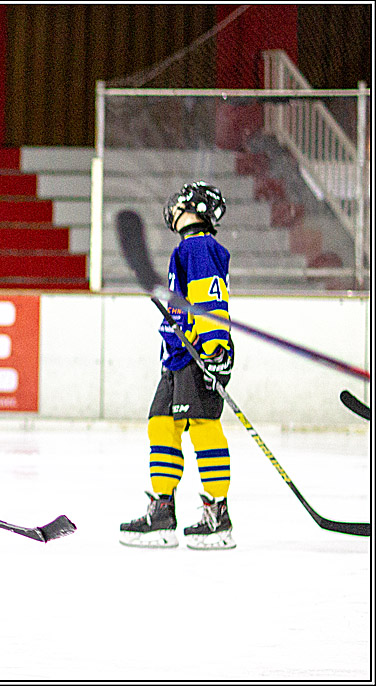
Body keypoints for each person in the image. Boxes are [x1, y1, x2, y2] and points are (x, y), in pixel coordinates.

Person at [119, 181, 236, 551]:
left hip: (198, 356)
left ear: (196, 210)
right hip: (178, 358)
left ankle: (217, 516)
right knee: (162, 425)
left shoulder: (199, 246)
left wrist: (215, 350)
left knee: (203, 427)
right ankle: (162, 512)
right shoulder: (187, 248)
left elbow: (209, 298)